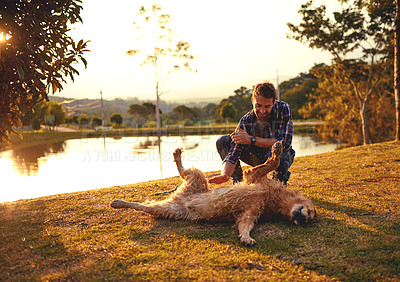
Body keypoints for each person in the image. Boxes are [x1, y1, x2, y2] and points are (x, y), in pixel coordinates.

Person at [209, 81, 295, 185]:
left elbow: (284, 143)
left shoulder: (283, 108)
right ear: (252, 101)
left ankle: (280, 177)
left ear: (274, 102)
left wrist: (251, 139)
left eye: (267, 106)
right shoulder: (246, 120)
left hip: (280, 155)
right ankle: (238, 181)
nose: (262, 111)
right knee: (223, 141)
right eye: (258, 106)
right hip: (257, 156)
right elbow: (233, 153)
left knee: (278, 153)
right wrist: (225, 175)